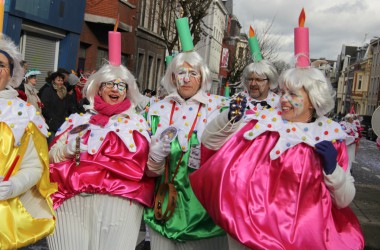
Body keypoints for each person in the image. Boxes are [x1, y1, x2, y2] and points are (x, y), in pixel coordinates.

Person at [190, 67, 364, 249]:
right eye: (283, 92)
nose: (283, 99)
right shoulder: (263, 124)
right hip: (248, 232)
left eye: (293, 94)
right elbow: (209, 141)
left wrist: (333, 170)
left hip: (301, 240)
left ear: (313, 101)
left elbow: (344, 200)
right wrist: (228, 119)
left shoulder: (331, 139)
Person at [46, 62, 155, 249]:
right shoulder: (78, 120)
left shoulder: (138, 125)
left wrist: (159, 154)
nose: (115, 89)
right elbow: (50, 157)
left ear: (127, 91)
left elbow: (151, 168)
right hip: (71, 204)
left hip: (120, 207)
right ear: (98, 88)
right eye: (109, 84)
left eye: (121, 85)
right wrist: (67, 150)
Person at [143, 50, 229, 250]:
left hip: (202, 214)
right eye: (181, 72)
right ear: (173, 77)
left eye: (194, 73)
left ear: (202, 76)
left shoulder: (220, 109)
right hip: (161, 206)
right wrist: (155, 158)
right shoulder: (156, 110)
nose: (187, 79)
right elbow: (146, 171)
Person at [0, 35, 56, 249]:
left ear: (12, 74)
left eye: (1, 65)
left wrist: (13, 186)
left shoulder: (24, 114)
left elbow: (35, 166)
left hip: (7, 220)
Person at [39, 71, 70, 144]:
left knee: (59, 145)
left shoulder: (64, 91)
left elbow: (67, 106)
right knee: (51, 144)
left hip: (62, 123)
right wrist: (51, 118)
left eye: (62, 80)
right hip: (51, 123)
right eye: (58, 80)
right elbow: (44, 106)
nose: (60, 82)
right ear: (53, 81)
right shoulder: (48, 91)